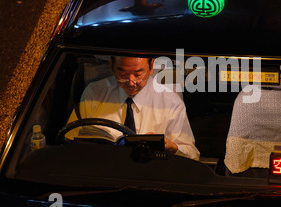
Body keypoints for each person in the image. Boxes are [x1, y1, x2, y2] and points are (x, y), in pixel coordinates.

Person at [67, 56, 199, 160]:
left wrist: (173, 147)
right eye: (122, 73)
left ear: (151, 66)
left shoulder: (170, 102)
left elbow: (193, 155)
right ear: (112, 65)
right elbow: (68, 142)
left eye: (138, 74)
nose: (131, 82)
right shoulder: (95, 93)